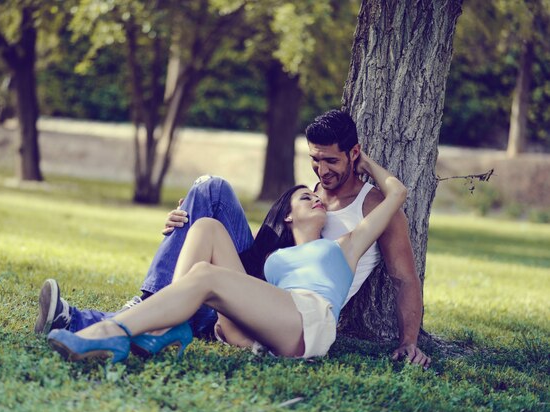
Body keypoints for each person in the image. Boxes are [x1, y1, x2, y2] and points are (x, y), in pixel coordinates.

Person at [35, 109, 430, 367]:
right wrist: (186, 225)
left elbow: (404, 270)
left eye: (331, 160)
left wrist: (409, 341)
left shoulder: (359, 227)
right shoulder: (298, 224)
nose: (320, 172)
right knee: (206, 220)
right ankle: (162, 322)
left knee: (206, 275)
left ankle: (110, 330)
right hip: (263, 307)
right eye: (314, 160)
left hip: (304, 321)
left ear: (353, 153)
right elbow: (259, 257)